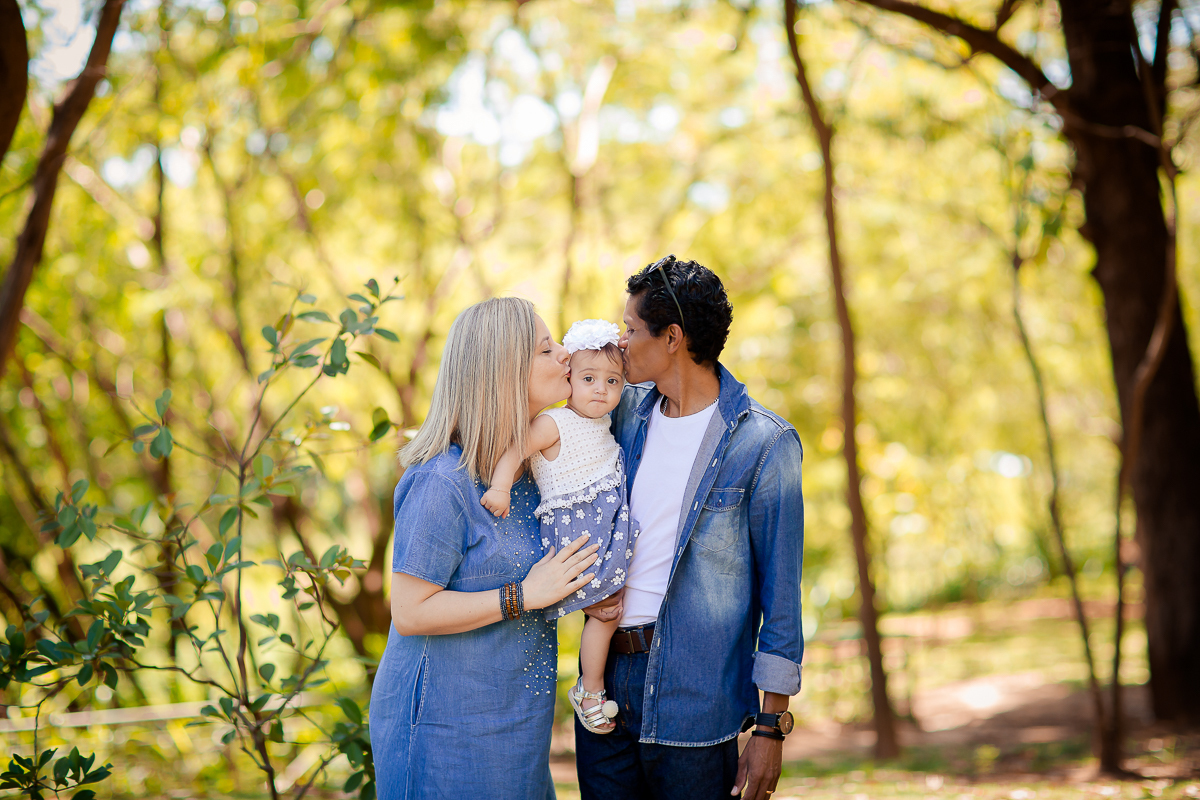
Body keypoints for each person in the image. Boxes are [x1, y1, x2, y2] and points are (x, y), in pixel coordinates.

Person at [574, 255, 805, 800]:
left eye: (630, 330)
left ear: (672, 336)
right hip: (603, 686)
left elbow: (782, 599)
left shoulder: (763, 444)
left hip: (696, 698)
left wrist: (772, 727)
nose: (620, 343)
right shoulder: (621, 413)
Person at [370, 297, 611, 800]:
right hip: (444, 730)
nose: (567, 354)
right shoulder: (443, 480)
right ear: (502, 370)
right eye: (547, 349)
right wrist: (520, 596)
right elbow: (410, 611)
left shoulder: (528, 474)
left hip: (517, 731)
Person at [482, 318, 643, 735]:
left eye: (612, 381)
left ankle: (591, 688)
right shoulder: (555, 422)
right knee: (606, 615)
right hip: (577, 539)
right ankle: (590, 690)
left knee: (607, 614)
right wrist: (500, 487)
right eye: (589, 378)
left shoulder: (604, 422)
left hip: (602, 533)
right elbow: (517, 447)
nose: (600, 390)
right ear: (569, 376)